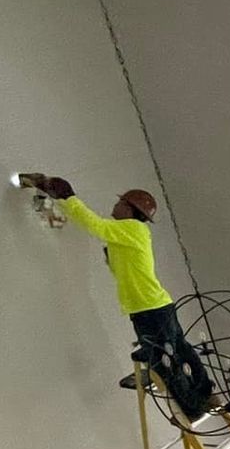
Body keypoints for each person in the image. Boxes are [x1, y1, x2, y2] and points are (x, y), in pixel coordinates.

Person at [27, 174, 216, 419]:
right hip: (154, 306)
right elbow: (113, 255)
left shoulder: (133, 228)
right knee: (179, 348)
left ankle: (191, 407)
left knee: (165, 360)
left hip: (149, 308)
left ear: (130, 209)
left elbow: (95, 225)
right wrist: (62, 203)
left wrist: (68, 197)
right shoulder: (127, 234)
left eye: (120, 203)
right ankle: (206, 394)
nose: (115, 206)